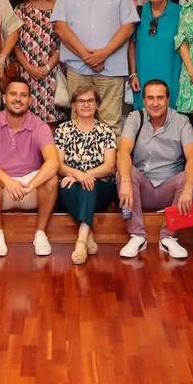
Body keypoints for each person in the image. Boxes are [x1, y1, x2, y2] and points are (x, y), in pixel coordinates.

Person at [52, 0, 140, 134]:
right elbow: (60, 26)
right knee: (79, 123)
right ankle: (80, 164)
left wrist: (103, 54)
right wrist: (87, 56)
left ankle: (109, 165)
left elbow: (128, 25)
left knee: (111, 125)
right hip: (77, 67)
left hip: (112, 67)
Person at [117, 80, 193, 260]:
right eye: (150, 98)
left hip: (170, 192)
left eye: (160, 98)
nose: (155, 103)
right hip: (141, 189)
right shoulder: (134, 118)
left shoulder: (181, 121)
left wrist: (188, 187)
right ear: (144, 100)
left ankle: (169, 237)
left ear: (168, 99)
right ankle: (137, 236)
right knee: (125, 171)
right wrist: (124, 181)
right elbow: (123, 151)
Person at [0, 78, 60, 258]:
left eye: (23, 95)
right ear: (4, 98)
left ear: (30, 100)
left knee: (51, 179)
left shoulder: (39, 125)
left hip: (30, 188)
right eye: (13, 94)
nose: (18, 99)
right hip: (2, 188)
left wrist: (31, 185)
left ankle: (40, 234)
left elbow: (53, 162)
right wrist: (8, 181)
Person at [53, 85, 118, 265]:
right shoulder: (62, 130)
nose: (86, 104)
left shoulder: (106, 131)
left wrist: (82, 175)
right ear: (73, 105)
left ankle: (80, 242)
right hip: (70, 185)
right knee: (79, 186)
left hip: (102, 186)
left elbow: (109, 166)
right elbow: (57, 164)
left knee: (89, 185)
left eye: (90, 100)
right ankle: (86, 233)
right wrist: (77, 176)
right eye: (81, 101)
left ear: (97, 105)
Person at [13, 0, 63, 125]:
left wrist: (47, 68)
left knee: (50, 122)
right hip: (26, 74)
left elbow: (62, 44)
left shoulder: (57, 11)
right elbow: (14, 45)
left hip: (51, 75)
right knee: (24, 120)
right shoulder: (19, 11)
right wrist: (28, 68)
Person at [128, 0, 181, 110]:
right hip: (144, 74)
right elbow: (132, 44)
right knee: (144, 115)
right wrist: (133, 73)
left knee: (171, 114)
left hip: (172, 74)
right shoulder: (138, 13)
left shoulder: (180, 12)